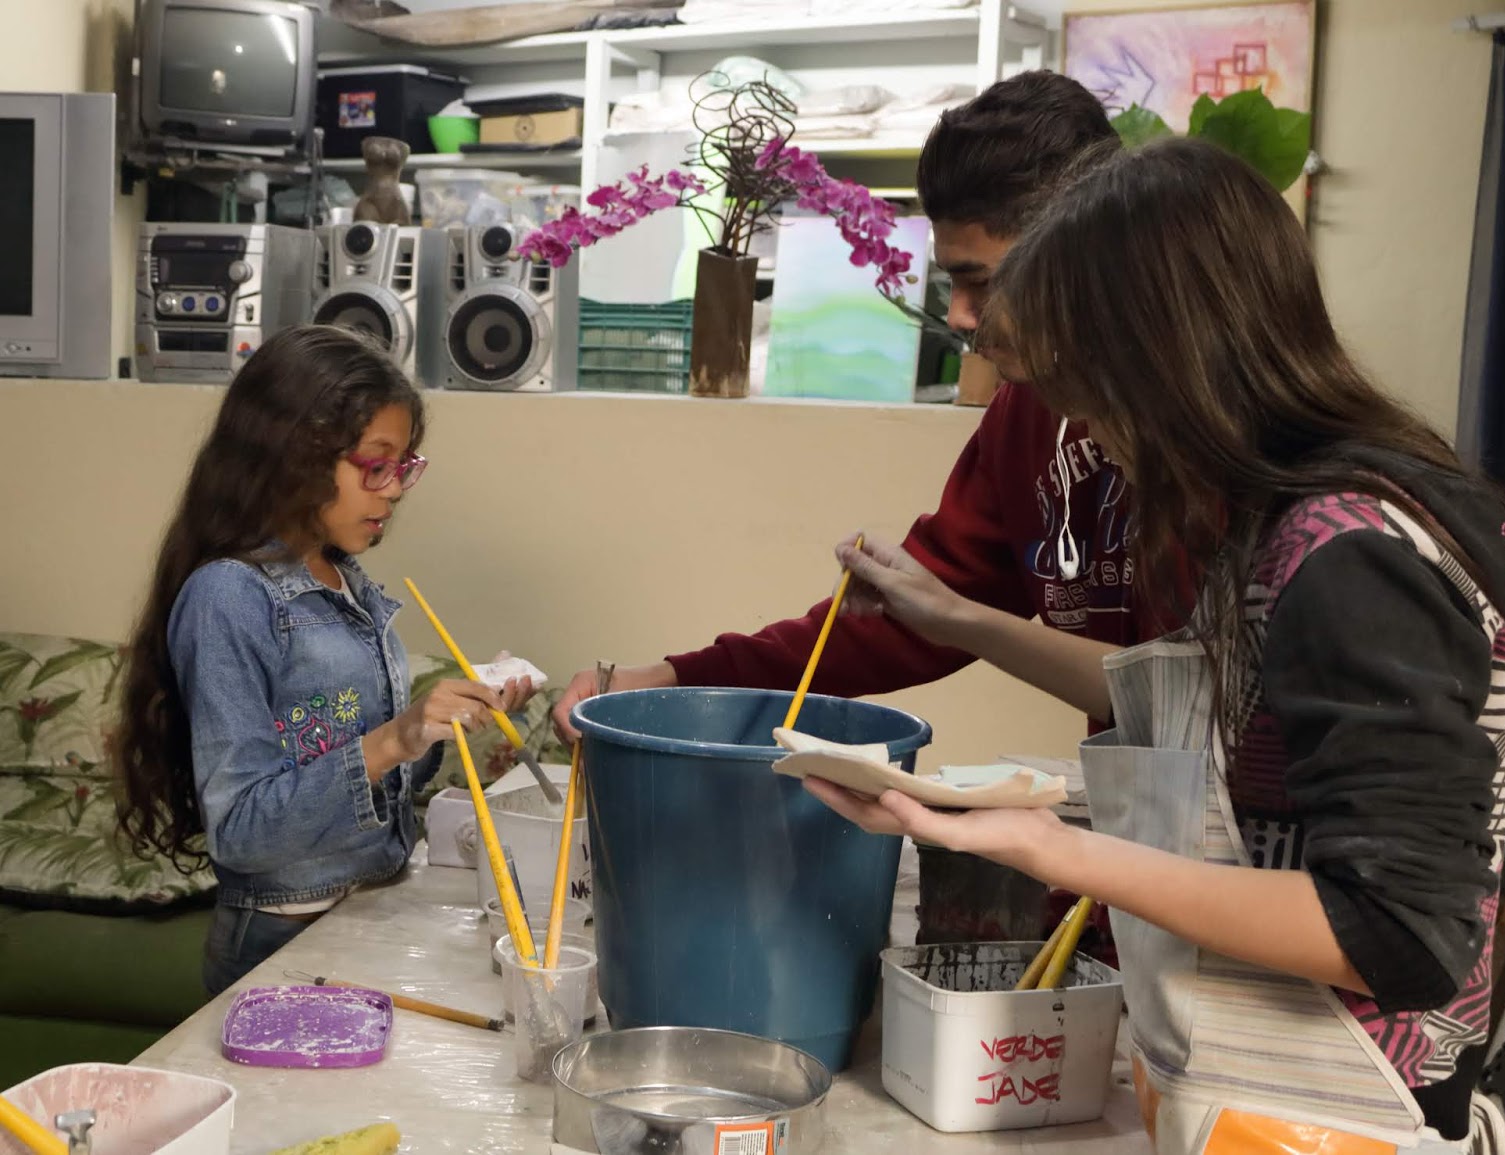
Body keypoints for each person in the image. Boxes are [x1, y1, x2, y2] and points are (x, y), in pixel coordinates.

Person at [806, 139, 1505, 1152]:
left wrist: (1056, 847)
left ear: (1164, 363)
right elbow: (1207, 699)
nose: (1088, 436)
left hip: (1345, 1115)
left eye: (1087, 398)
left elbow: (1400, 933)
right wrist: (958, 618)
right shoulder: (1285, 517)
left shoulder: (1353, 555)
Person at [553, 71, 1174, 739]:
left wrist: (956, 617)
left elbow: (1193, 692)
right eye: (953, 283)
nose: (960, 317)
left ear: (1079, 252)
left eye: (982, 282)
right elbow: (904, 623)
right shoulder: (1024, 416)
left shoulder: (1206, 425)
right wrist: (679, 677)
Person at [113, 325, 535, 995]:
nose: (394, 489)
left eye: (406, 465)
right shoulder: (229, 596)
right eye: (377, 464)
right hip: (282, 937)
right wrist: (393, 738)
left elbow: (360, 771)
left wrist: (433, 727)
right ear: (296, 455)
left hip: (363, 913)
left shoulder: (344, 580)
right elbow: (241, 831)